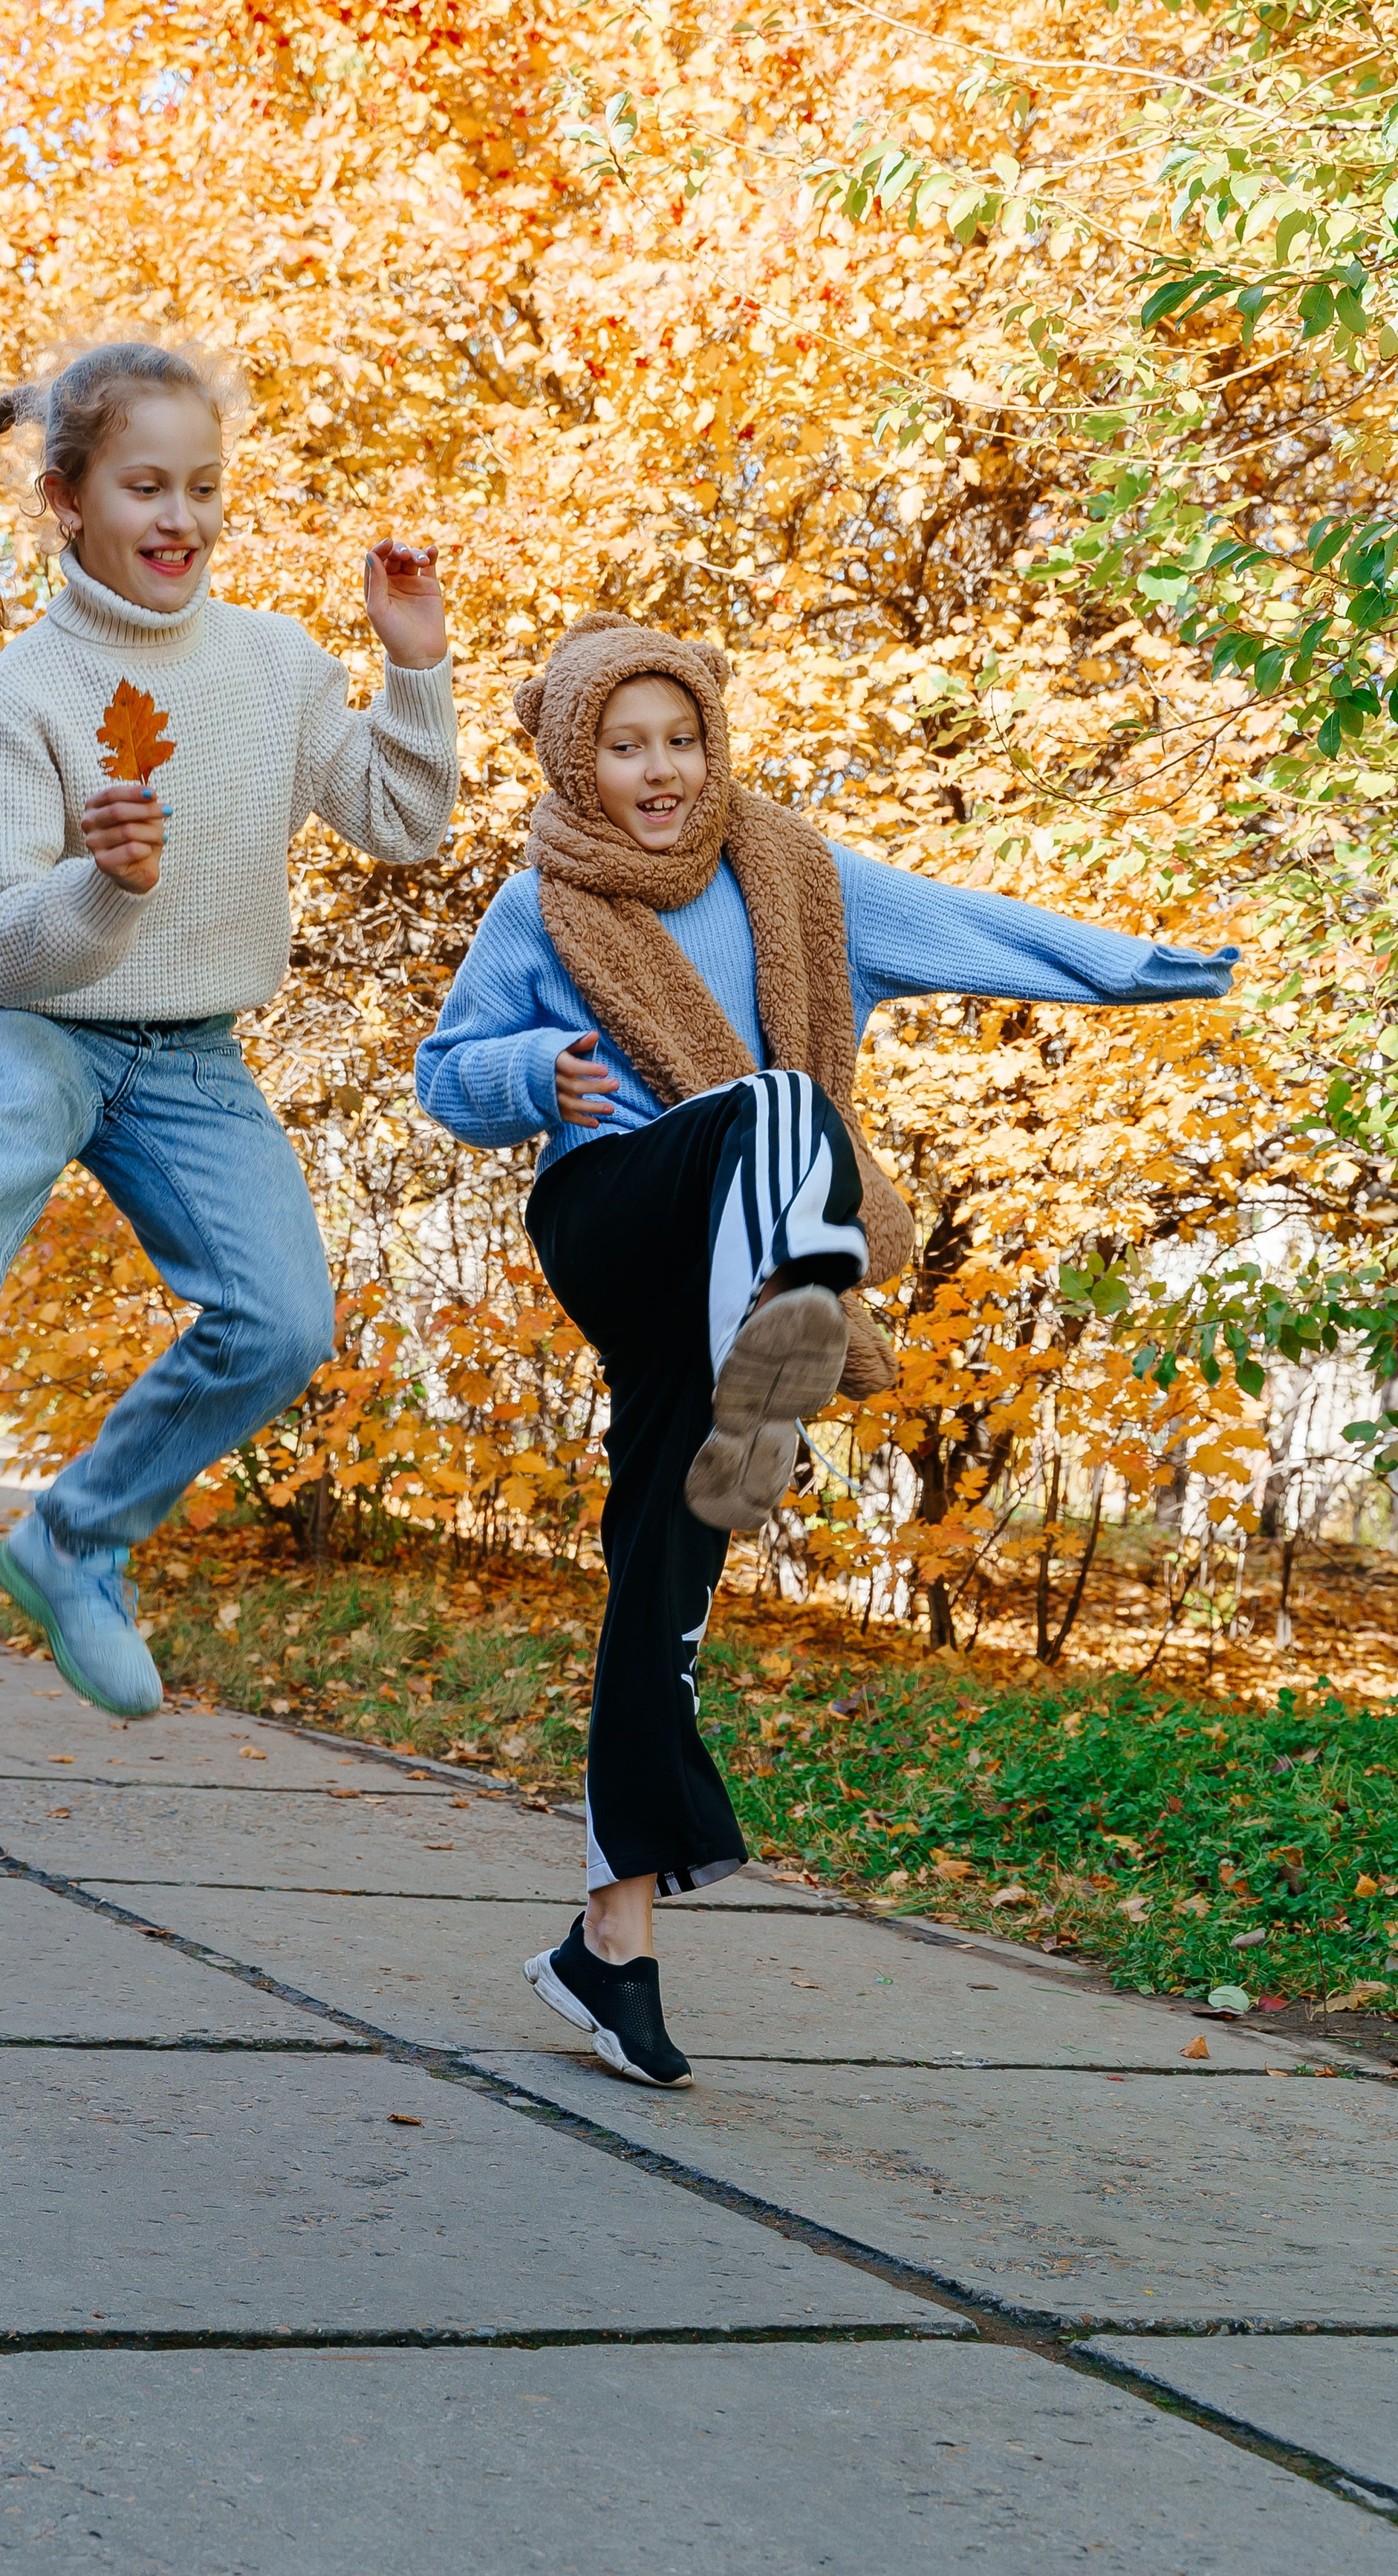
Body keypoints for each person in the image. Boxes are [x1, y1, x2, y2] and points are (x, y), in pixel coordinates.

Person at [414, 611, 1235, 2089]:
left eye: (678, 741)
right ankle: (772, 1336)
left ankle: (609, 1943)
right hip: (614, 1215)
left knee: (660, 1576)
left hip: (736, 1244)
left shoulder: (791, 874)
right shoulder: (540, 908)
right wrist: (535, 1068)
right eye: (622, 747)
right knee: (792, 1119)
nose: (656, 772)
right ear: (572, 758)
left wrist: (1126, 967)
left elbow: (962, 921)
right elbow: (446, 1075)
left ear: (710, 745)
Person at [0, 339, 456, 1721]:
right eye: (144, 488)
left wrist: (412, 669)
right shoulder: (17, 700)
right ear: (67, 501)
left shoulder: (275, 668)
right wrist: (100, 888)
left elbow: (404, 824)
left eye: (203, 487)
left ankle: (72, 1540)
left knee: (286, 1325)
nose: (179, 517)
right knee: (13, 1121)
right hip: (29, 1020)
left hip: (191, 1057)